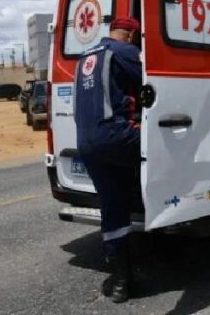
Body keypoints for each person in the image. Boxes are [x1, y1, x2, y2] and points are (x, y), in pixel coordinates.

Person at [74, 17, 142, 303]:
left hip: (86, 143)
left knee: (112, 206)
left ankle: (121, 281)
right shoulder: (123, 50)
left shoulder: (84, 57)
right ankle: (182, 213)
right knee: (170, 148)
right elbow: (155, 80)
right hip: (115, 135)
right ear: (130, 35)